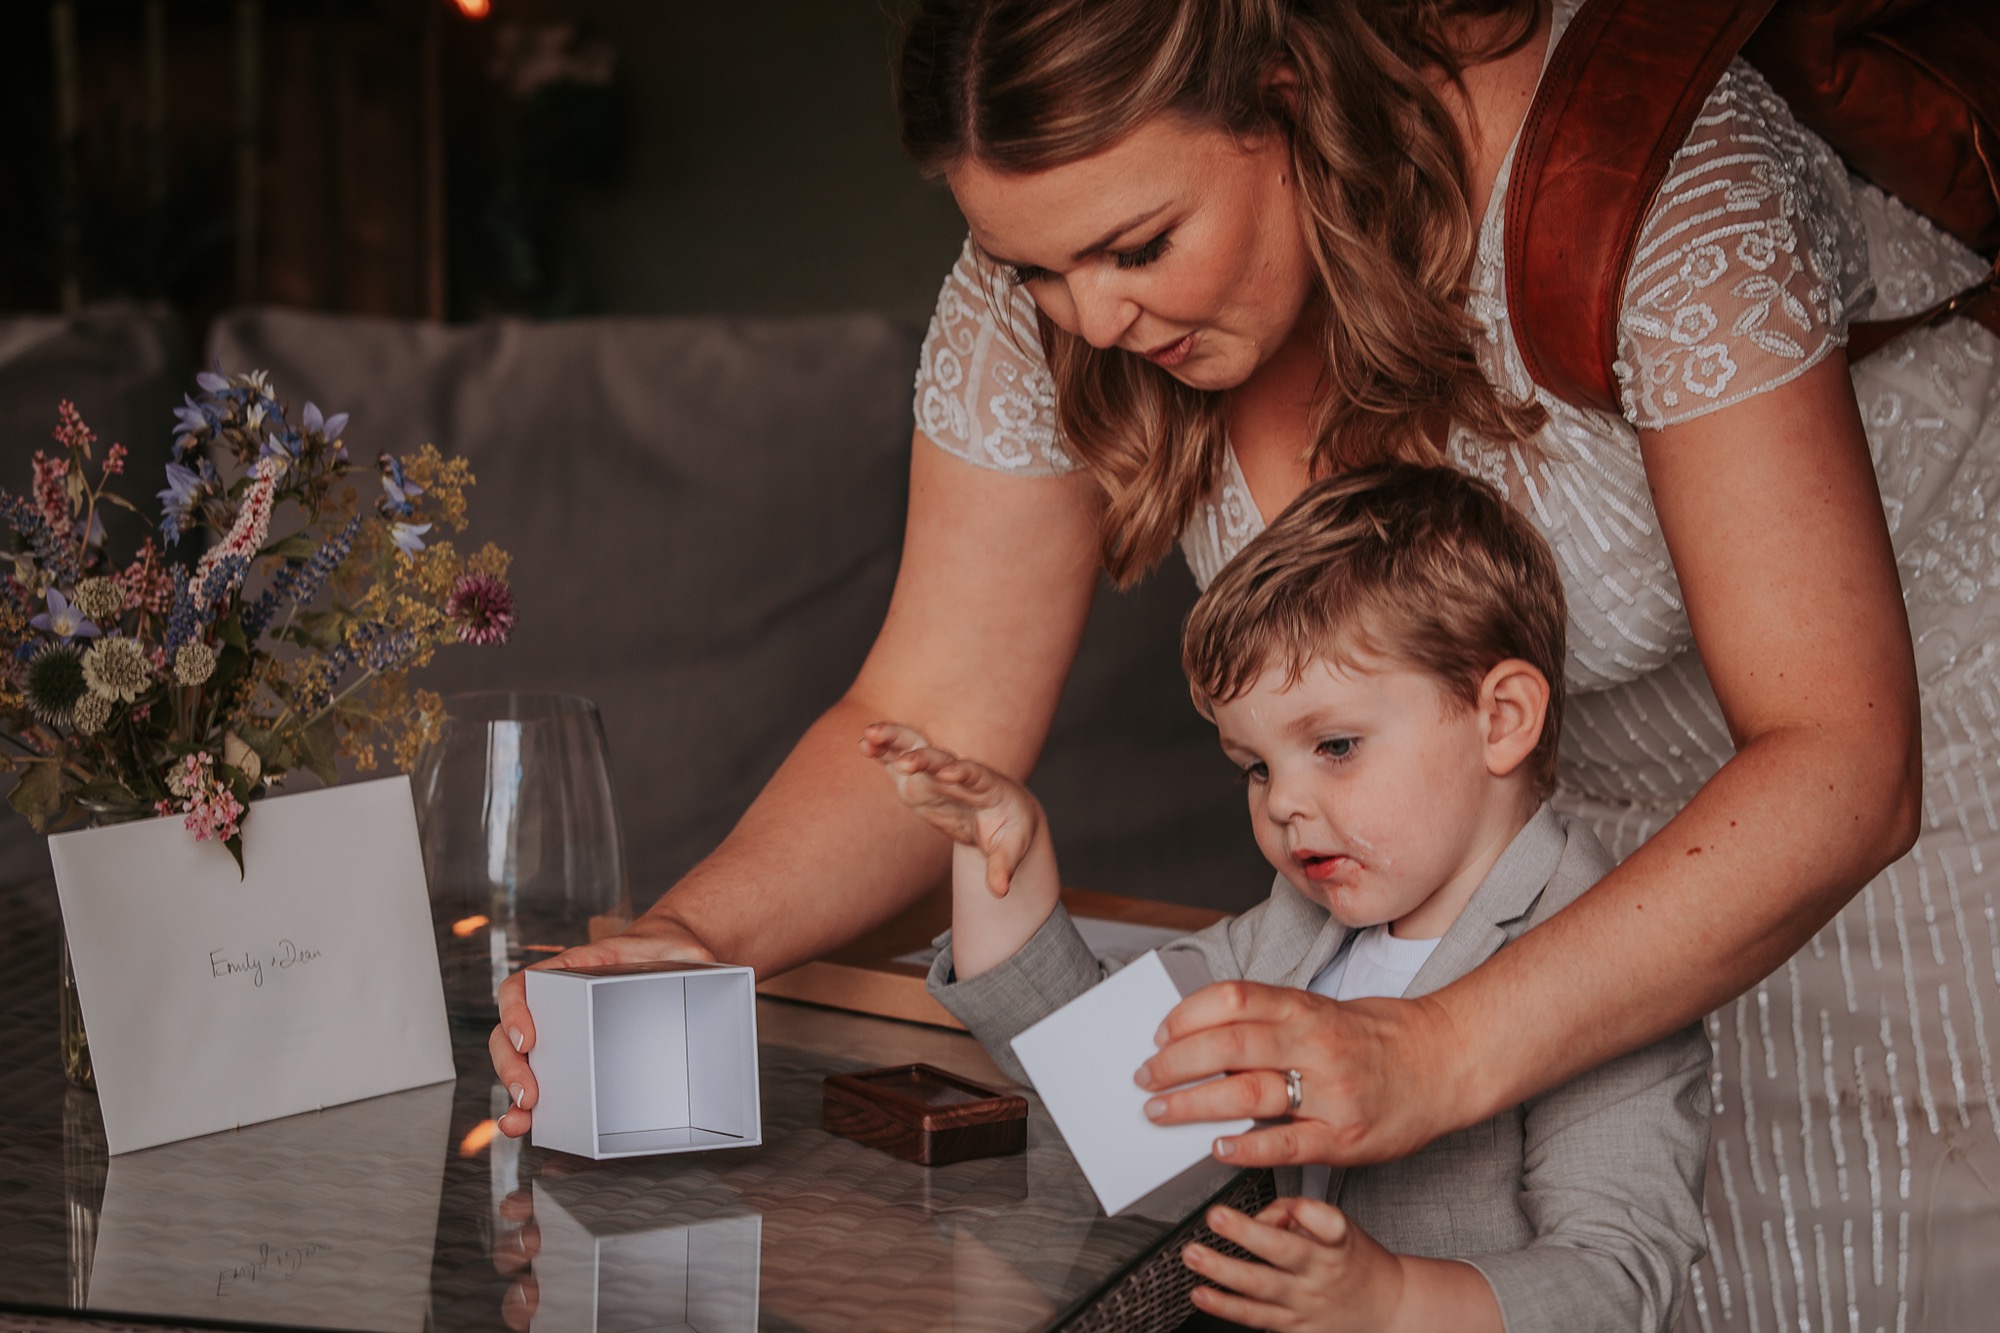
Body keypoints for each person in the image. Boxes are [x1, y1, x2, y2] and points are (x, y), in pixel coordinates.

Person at [493, 3, 2000, 1325]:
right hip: (1450, 901)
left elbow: (1842, 760)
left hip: (1873, 895)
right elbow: (927, 718)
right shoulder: (1072, 280)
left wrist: (1437, 1048)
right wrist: (694, 937)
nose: (1090, 318)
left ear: (1287, 92)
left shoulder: (1654, 180)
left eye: (1137, 247)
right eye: (1034, 271)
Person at [865, 463, 1711, 1333]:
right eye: (1257, 767)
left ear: (1500, 719)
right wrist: (998, 860)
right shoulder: (1298, 923)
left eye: (1336, 745)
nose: (1282, 803)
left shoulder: (1611, 960)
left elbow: (1616, 1280)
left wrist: (1392, 1302)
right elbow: (1108, 1071)